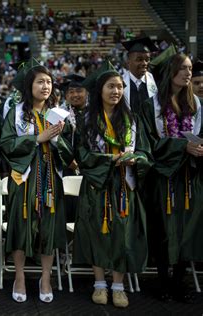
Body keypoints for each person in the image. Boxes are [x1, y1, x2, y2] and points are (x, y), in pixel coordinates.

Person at [68, 61, 151, 308]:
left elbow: (146, 151)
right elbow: (81, 156)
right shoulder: (86, 120)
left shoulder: (132, 119)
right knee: (97, 232)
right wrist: (109, 160)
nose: (116, 91)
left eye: (120, 87)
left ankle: (118, 285)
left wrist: (138, 159)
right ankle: (99, 284)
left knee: (122, 233)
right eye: (111, 86)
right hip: (97, 184)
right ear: (100, 90)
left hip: (125, 184)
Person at [0, 58, 66, 304]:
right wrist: (37, 138)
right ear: (30, 86)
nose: (45, 86)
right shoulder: (15, 114)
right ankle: (19, 277)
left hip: (50, 179)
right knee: (20, 228)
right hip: (23, 178)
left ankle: (46, 278)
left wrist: (57, 139)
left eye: (49, 82)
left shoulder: (58, 114)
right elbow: (5, 144)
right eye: (40, 82)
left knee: (48, 230)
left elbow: (70, 151)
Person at [142, 51, 203, 303]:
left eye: (190, 68)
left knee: (188, 228)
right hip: (163, 177)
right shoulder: (151, 106)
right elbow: (148, 142)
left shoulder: (198, 105)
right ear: (171, 72)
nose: (189, 73)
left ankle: (180, 281)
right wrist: (181, 147)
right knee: (164, 229)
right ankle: (163, 282)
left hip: (190, 176)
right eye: (184, 68)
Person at [59, 74, 87, 222]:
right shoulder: (59, 114)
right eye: (71, 91)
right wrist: (69, 160)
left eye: (79, 90)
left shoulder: (94, 114)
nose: (75, 94)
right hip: (67, 168)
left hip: (90, 168)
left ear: (87, 92)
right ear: (66, 95)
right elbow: (56, 141)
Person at [121, 37, 159, 116]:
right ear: (128, 62)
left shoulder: (156, 81)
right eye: (139, 59)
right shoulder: (120, 83)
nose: (145, 63)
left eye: (147, 59)